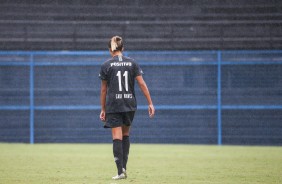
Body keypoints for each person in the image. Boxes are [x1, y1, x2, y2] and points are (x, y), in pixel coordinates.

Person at [99, 36, 155, 180]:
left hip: (114, 105)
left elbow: (104, 90)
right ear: (122, 48)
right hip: (130, 104)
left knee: (116, 136)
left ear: (110, 50)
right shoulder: (132, 63)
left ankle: (120, 172)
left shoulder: (106, 65)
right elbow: (142, 84)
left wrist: (103, 109)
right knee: (126, 135)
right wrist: (150, 103)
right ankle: (124, 167)